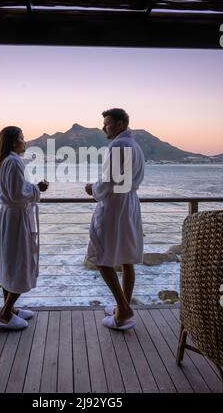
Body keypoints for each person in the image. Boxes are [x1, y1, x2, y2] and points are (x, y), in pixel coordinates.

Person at [85, 108, 145, 331]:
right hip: (129, 203)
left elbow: (110, 181)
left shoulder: (119, 146)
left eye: (108, 123)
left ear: (120, 124)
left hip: (115, 206)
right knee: (127, 258)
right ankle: (122, 310)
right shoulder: (135, 146)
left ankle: (123, 307)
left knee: (102, 257)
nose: (104, 127)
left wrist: (93, 189)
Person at [0, 126, 48, 330]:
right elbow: (17, 193)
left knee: (10, 261)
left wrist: (30, 189)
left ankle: (11, 309)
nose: (26, 141)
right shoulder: (14, 162)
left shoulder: (5, 161)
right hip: (16, 219)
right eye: (22, 138)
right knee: (22, 262)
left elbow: (12, 192)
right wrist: (37, 188)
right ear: (14, 141)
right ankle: (5, 313)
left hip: (9, 217)